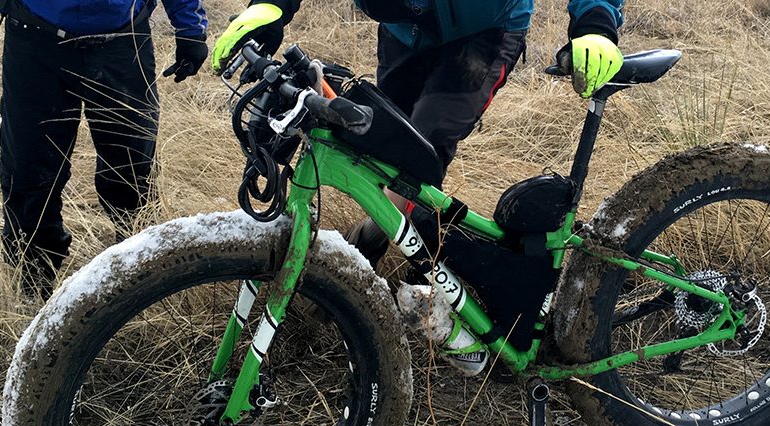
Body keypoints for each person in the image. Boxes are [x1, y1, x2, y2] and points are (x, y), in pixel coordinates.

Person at [211, 0, 624, 266]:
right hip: (402, 31)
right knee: (383, 145)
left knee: (423, 147)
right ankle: (396, 238)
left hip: (483, 33)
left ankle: (385, 253)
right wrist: (271, 5)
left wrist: (596, 22)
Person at [0, 0, 209, 299]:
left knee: (132, 176)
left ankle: (137, 287)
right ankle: (31, 290)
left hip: (123, 41)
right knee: (29, 174)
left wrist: (190, 29)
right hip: (34, 36)